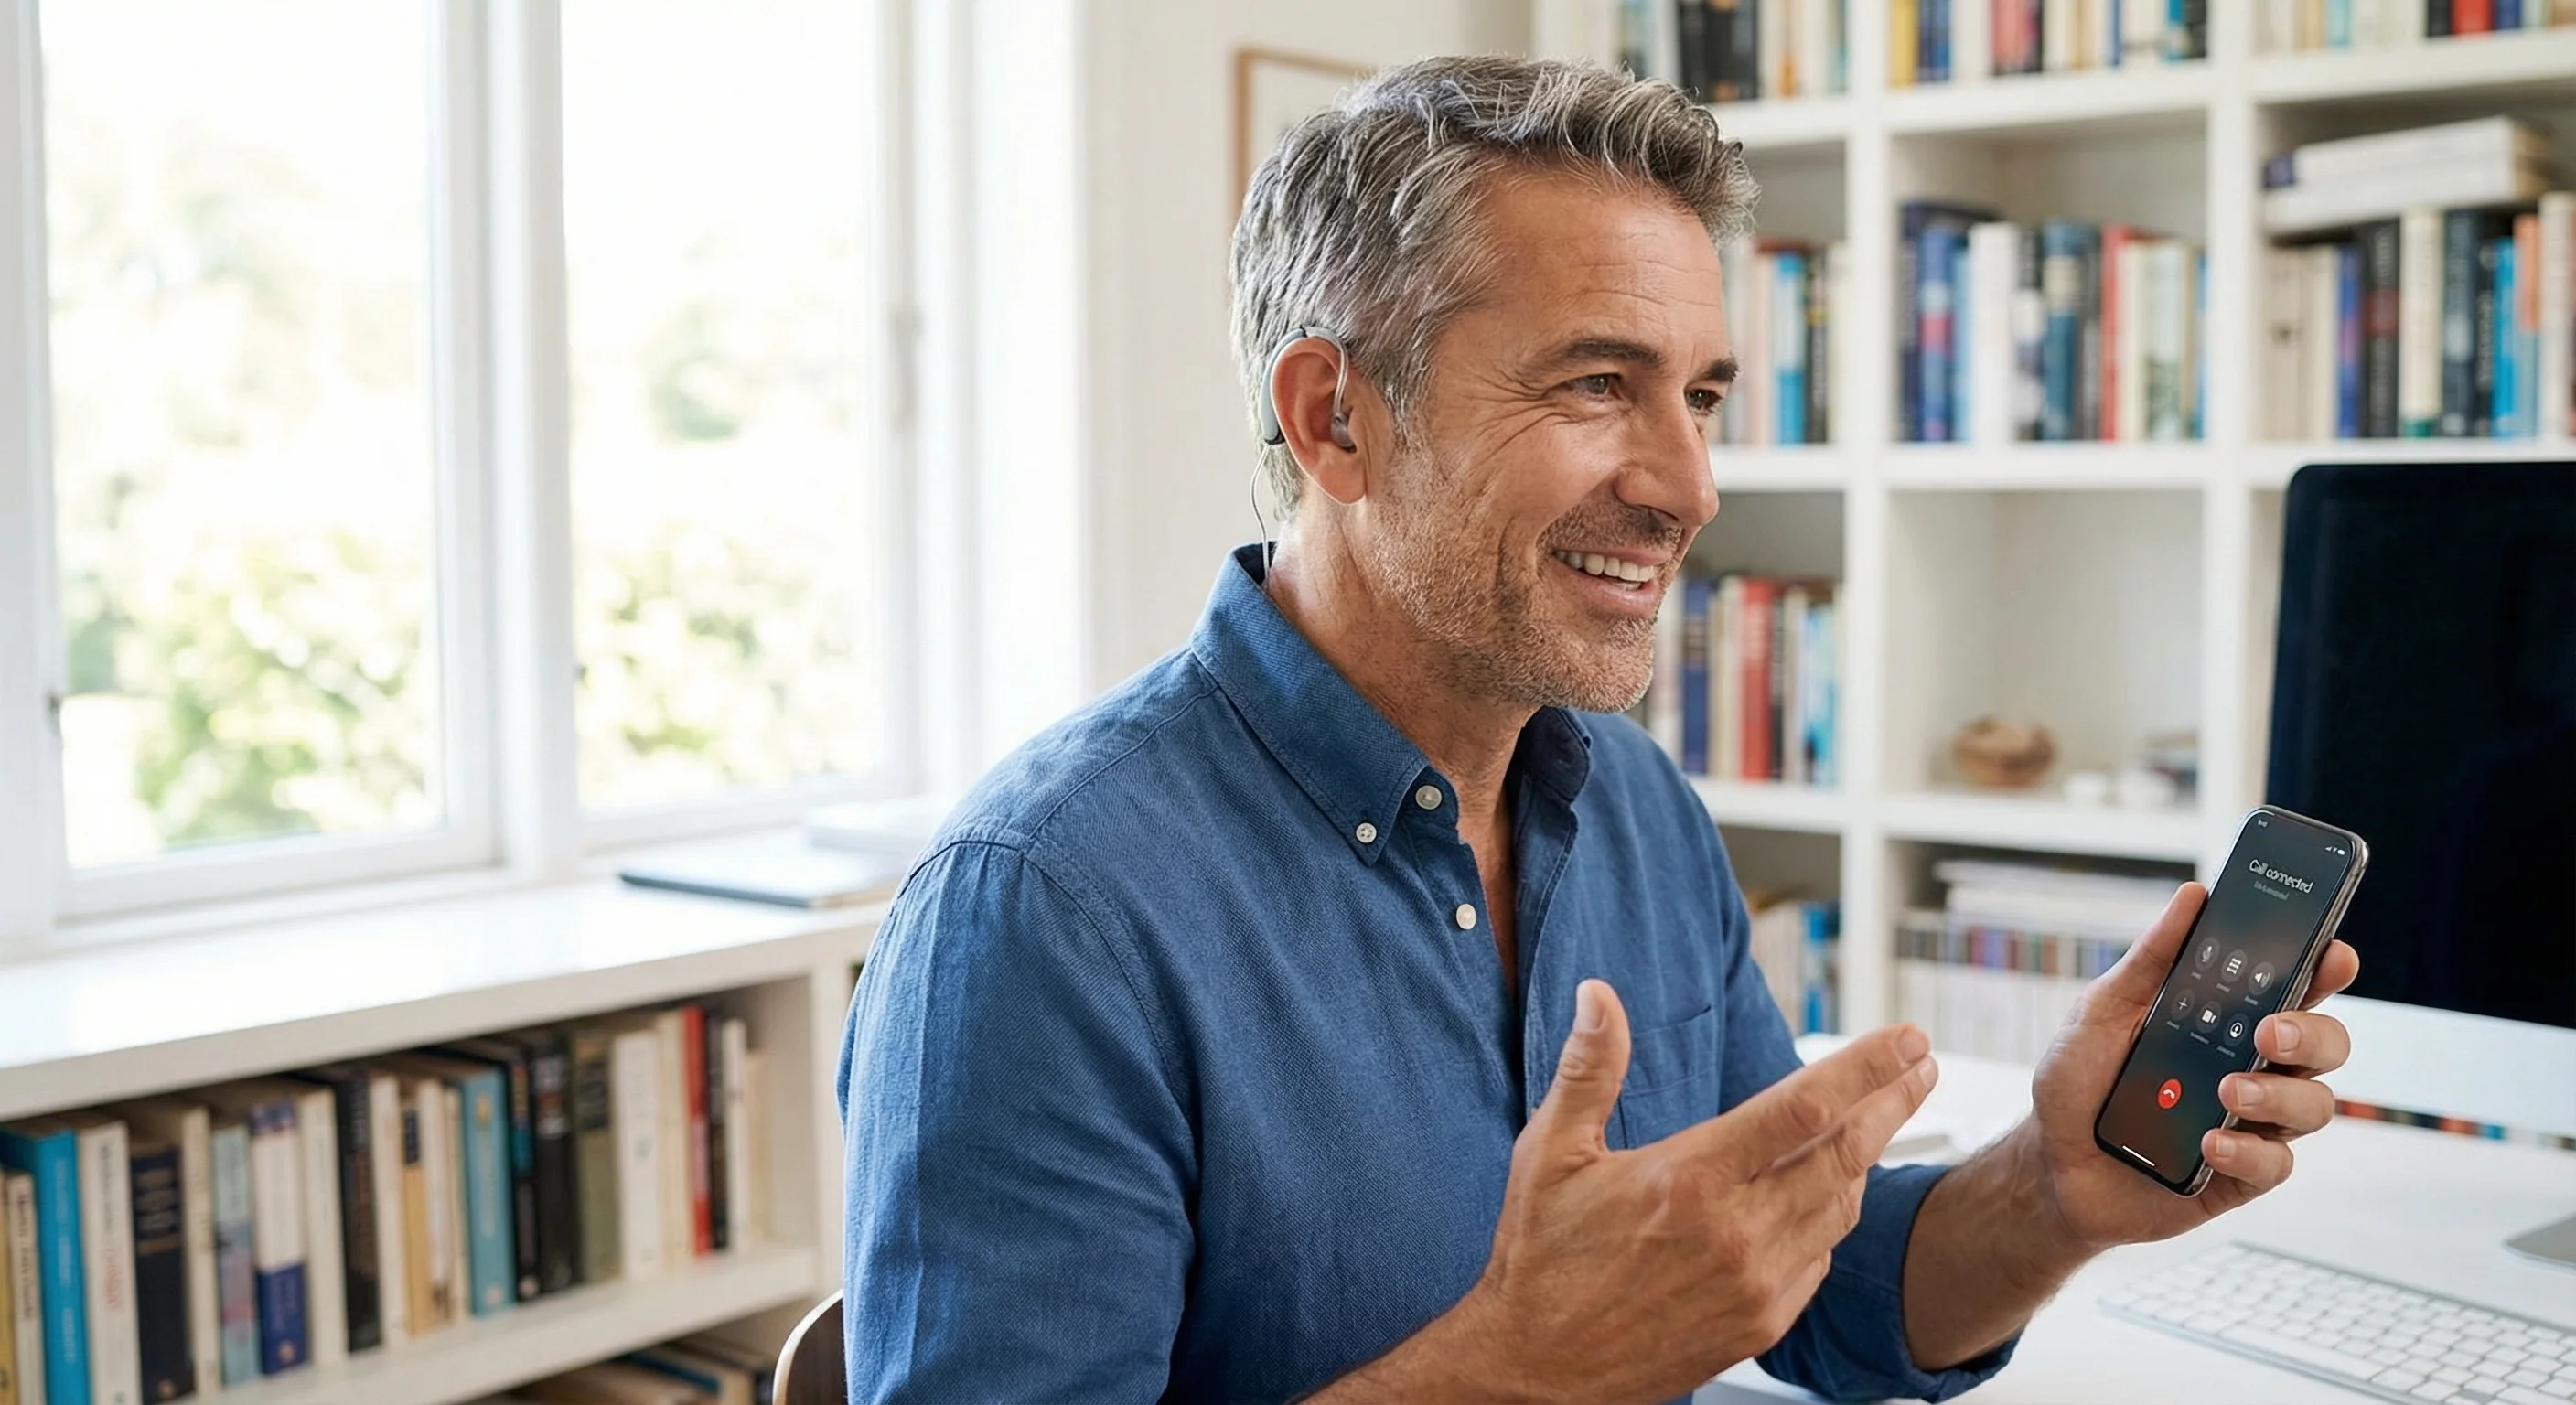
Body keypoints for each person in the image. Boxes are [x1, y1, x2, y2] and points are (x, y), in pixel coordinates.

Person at [834, 55, 2361, 1404]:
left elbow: (1813, 1288)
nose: (1692, 486)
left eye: (1701, 395)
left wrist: (2054, 1187)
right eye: (1595, 384)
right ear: (1334, 418)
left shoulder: (1628, 800)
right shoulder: (1038, 916)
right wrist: (1520, 1372)